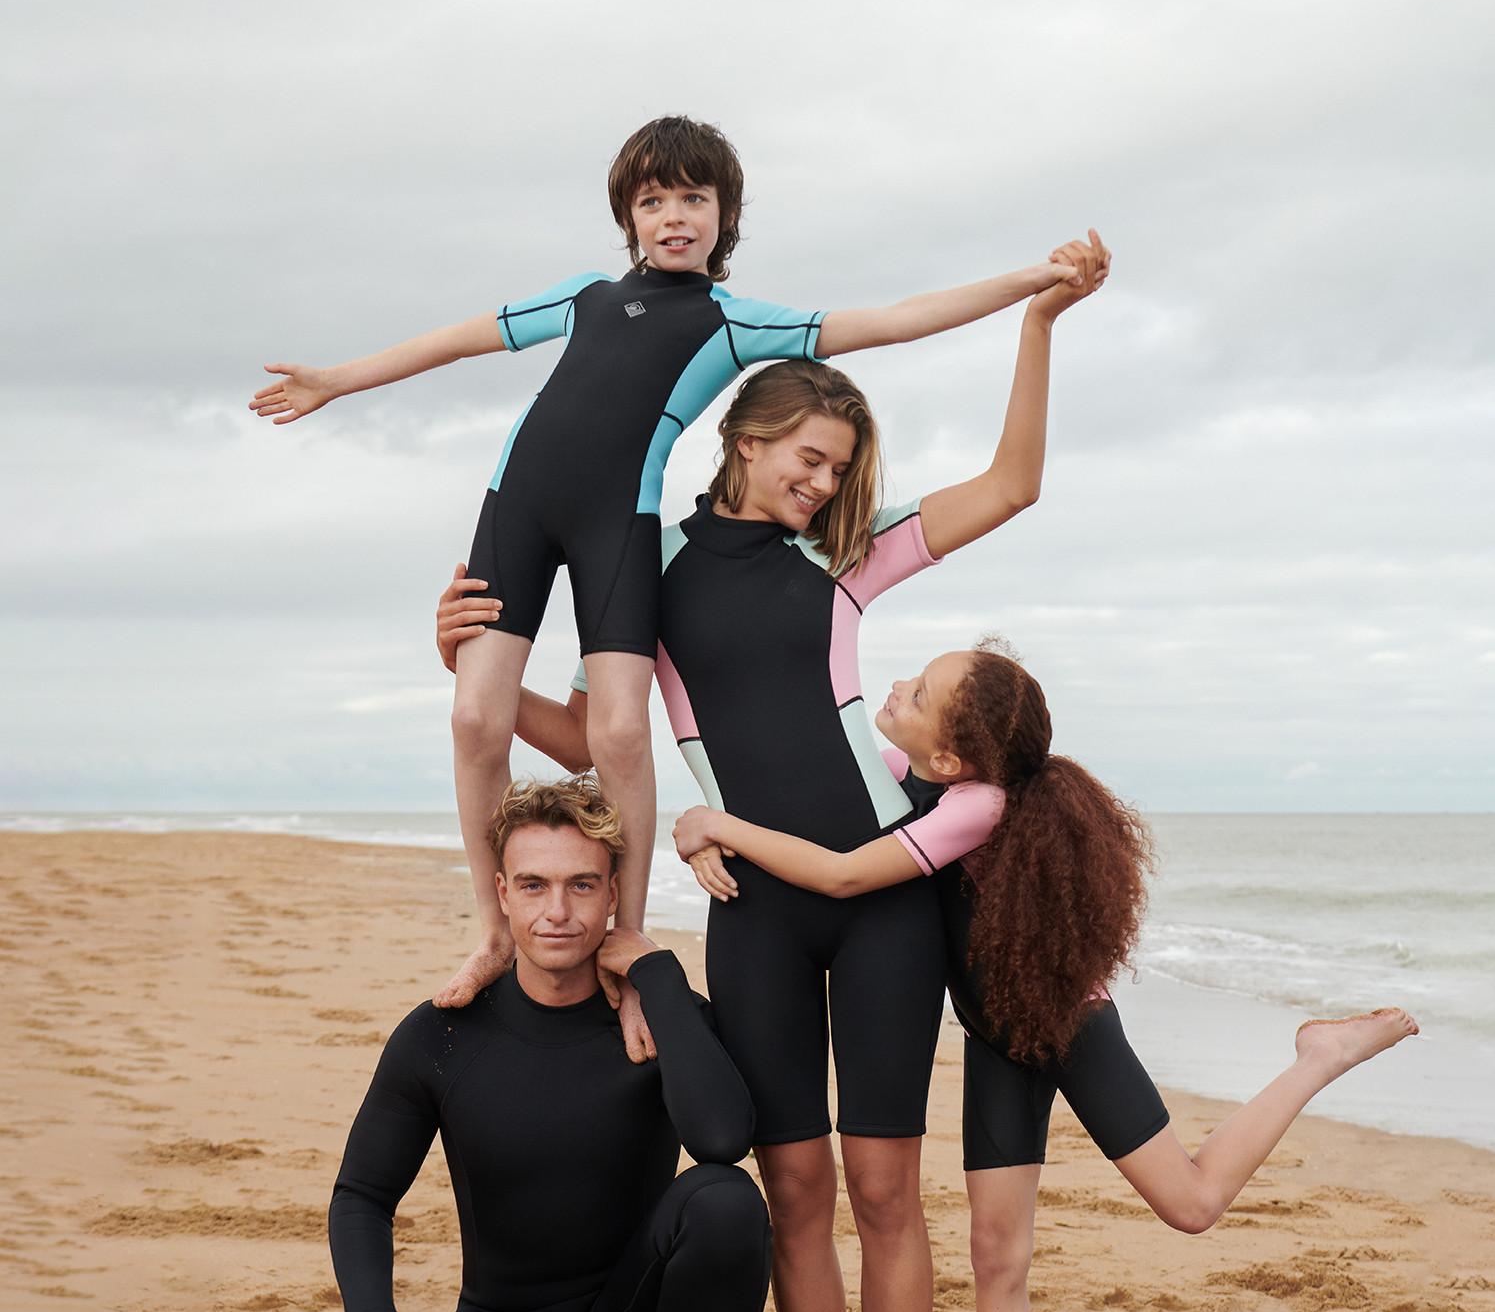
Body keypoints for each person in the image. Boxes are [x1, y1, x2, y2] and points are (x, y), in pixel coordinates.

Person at [432, 237, 1113, 1312]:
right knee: (794, 1189)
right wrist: (466, 666)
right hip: (753, 916)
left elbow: (1014, 484)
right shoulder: (654, 589)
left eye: (840, 470)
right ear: (744, 439)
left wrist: (1037, 325)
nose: (821, 482)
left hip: (885, 918)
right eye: (808, 457)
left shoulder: (842, 563)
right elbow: (592, 739)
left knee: (880, 1190)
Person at [249, 113, 1100, 1033]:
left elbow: (891, 322)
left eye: (696, 198)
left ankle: (629, 933)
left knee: (620, 732)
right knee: (472, 715)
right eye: (654, 201)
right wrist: (336, 381)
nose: (675, 216)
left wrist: (1032, 285)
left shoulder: (733, 323)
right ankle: (492, 929)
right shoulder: (583, 298)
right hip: (517, 506)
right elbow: (457, 340)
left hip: (621, 522)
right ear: (629, 216)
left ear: (725, 214)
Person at [670, 639, 1422, 1312]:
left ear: (953, 758)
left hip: (1067, 1027)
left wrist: (718, 826)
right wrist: (699, 812)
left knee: (1192, 1202)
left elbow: (841, 873)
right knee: (998, 1260)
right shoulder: (918, 773)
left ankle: (1316, 1058)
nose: (898, 687)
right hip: (995, 1039)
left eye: (918, 693)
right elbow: (817, 782)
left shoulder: (975, 804)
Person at [327, 776, 770, 1312]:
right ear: (502, 893)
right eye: (533, 885)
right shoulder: (444, 1035)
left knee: (726, 1201)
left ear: (611, 895)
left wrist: (655, 974)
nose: (557, 912)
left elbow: (724, 1138)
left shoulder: (656, 1015)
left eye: (581, 885)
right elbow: (362, 1192)